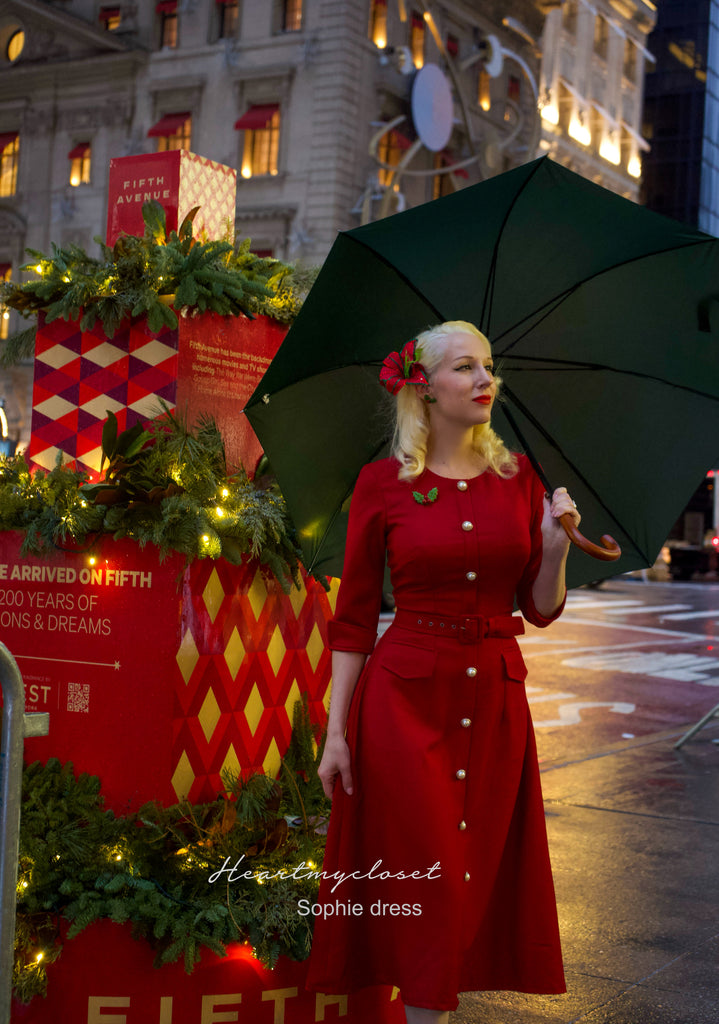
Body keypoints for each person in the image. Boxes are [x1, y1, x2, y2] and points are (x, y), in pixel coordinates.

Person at [305, 320, 579, 1023]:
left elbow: (539, 608)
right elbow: (354, 618)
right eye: (465, 367)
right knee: (429, 876)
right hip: (402, 705)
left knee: (471, 874)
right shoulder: (380, 485)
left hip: (493, 698)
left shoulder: (521, 481)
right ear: (422, 388)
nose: (485, 378)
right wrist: (335, 733)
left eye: (488, 365)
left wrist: (554, 547)